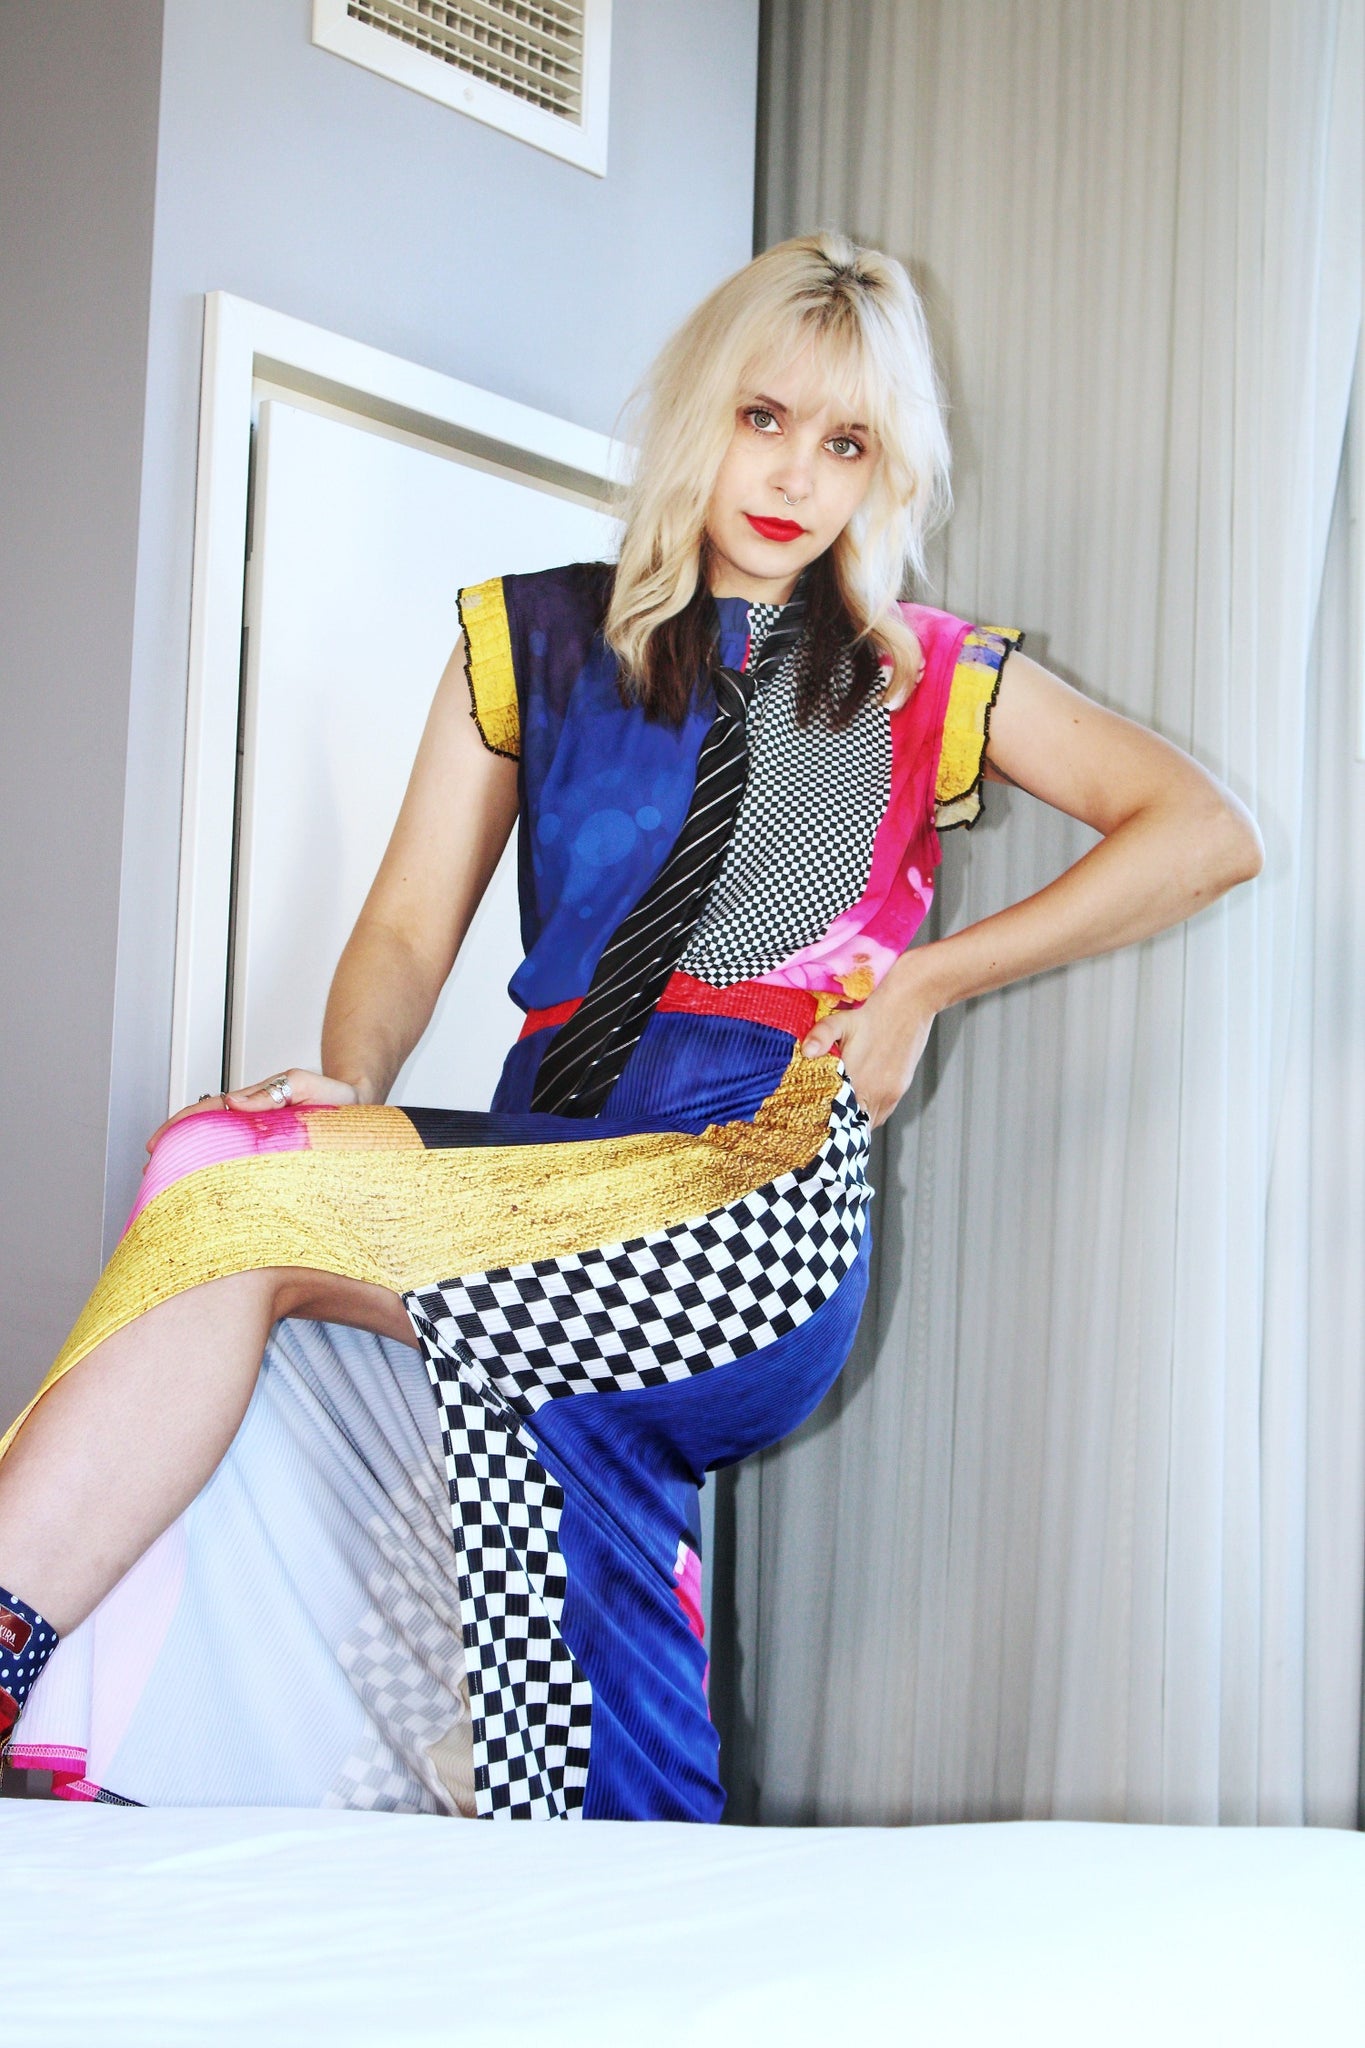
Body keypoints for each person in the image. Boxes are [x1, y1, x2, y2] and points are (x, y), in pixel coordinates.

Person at [0, 234, 1261, 1818]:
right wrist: (351, 1082)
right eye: (763, 417)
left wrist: (927, 981)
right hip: (550, 1169)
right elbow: (406, 928)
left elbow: (1201, 832)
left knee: (222, 1176)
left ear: (885, 471)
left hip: (747, 1195)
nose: (794, 474)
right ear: (695, 415)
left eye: (846, 443)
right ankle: (597, 1852)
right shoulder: (529, 640)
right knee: (470, 1445)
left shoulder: (922, 676)